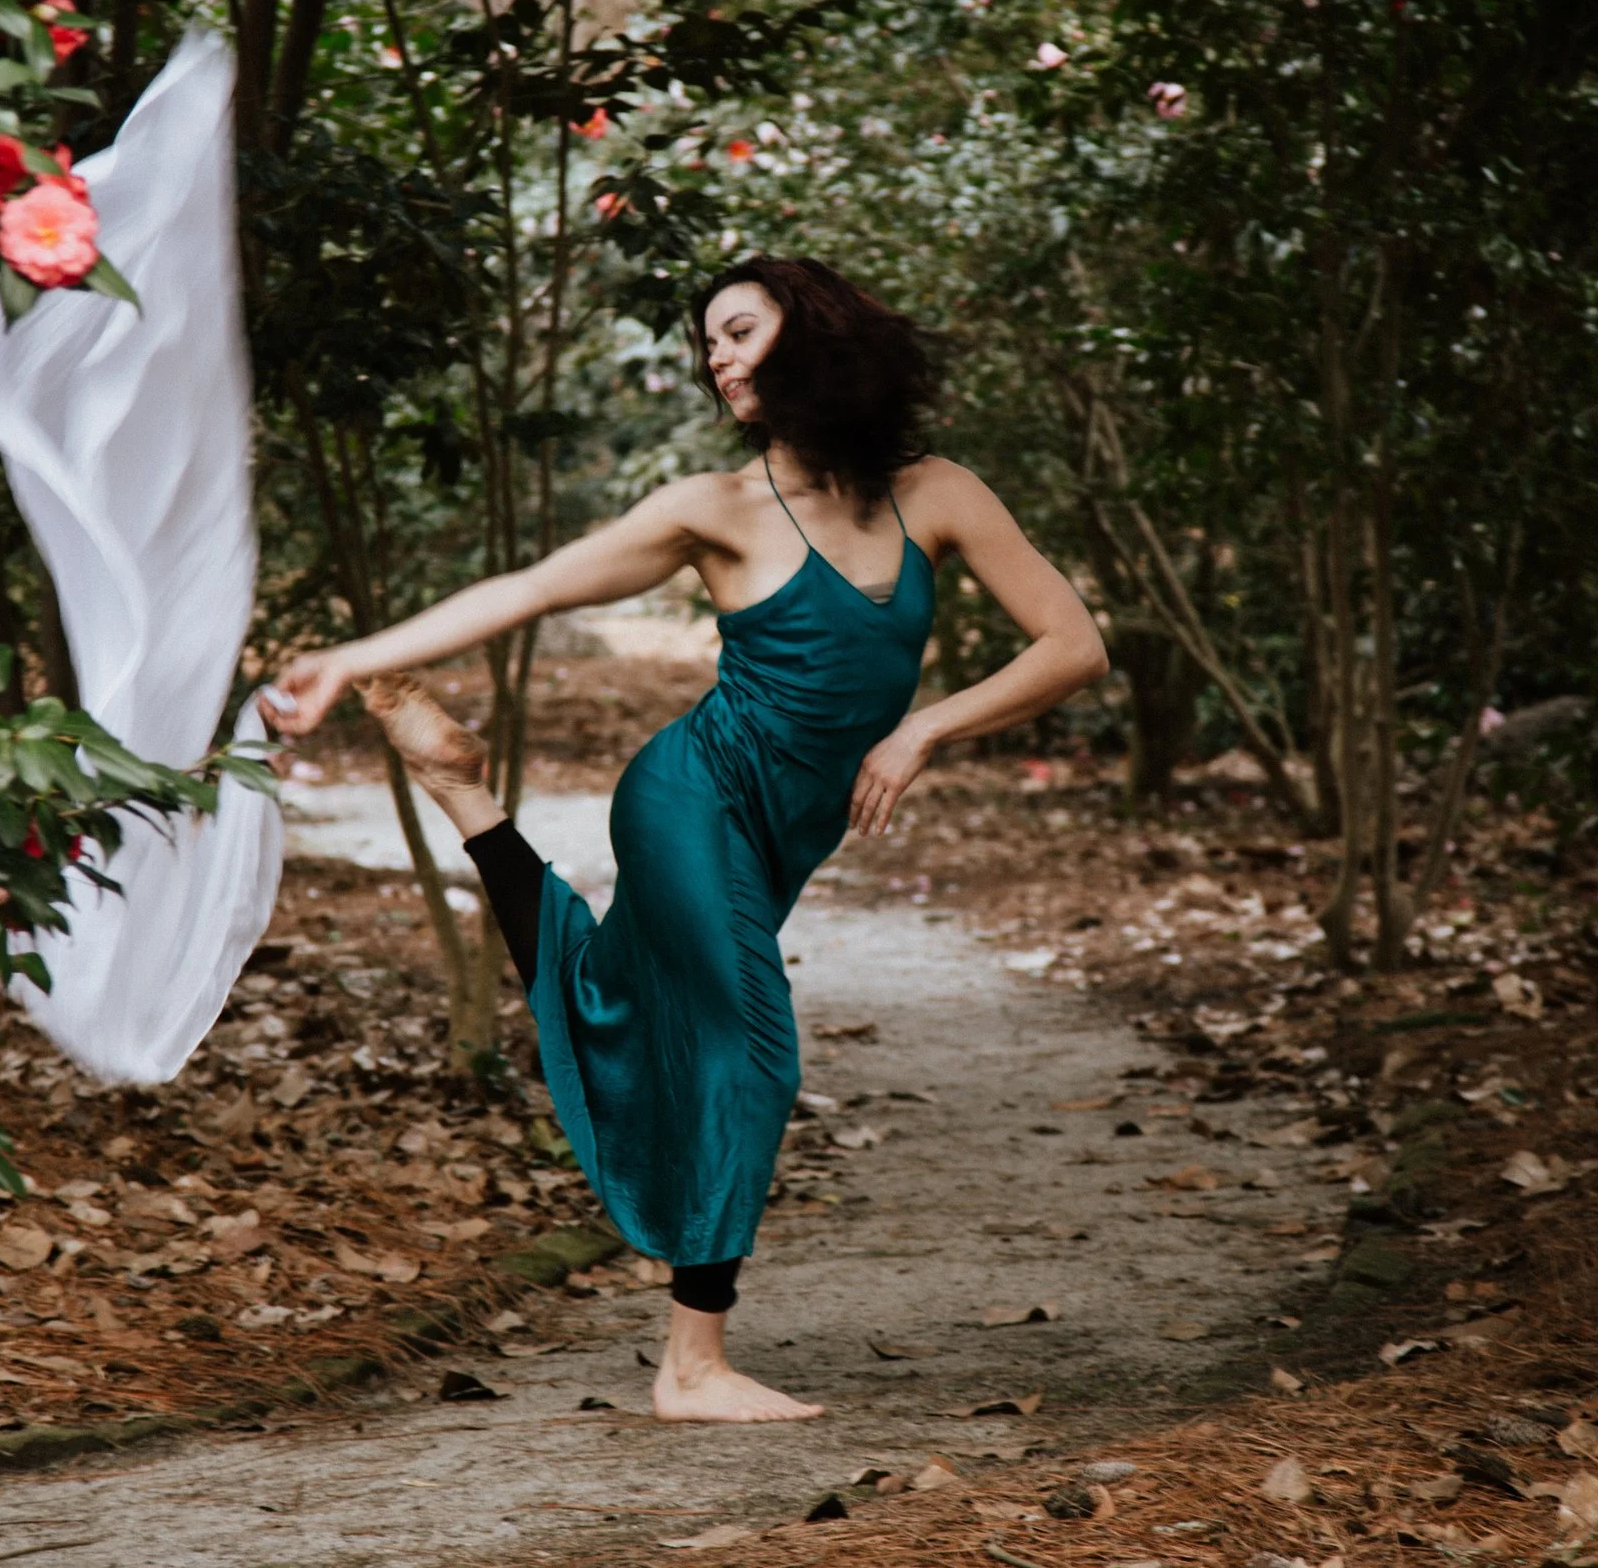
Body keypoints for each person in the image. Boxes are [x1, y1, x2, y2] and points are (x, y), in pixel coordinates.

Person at [258, 257, 1108, 1424]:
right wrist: (352, 659)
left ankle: (462, 793)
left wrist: (924, 729)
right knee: (753, 1053)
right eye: (707, 341)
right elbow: (532, 587)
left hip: (781, 835)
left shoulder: (939, 493)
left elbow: (1072, 645)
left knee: (631, 1002)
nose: (715, 357)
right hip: (690, 798)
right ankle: (691, 1366)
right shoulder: (714, 508)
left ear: (812, 334)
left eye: (738, 331)